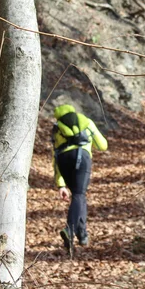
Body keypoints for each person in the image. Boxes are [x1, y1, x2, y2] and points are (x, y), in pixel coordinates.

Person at [51, 104, 107, 251]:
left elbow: (55, 155)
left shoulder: (57, 129)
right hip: (81, 158)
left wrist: (60, 184)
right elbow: (102, 145)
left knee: (79, 196)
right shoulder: (86, 122)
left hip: (63, 161)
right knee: (79, 195)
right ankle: (70, 230)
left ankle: (82, 234)